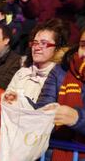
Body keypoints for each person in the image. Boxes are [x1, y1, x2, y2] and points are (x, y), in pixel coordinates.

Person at [34, 30, 85, 160]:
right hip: (52, 153)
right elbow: (41, 110)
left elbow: (76, 118)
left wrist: (77, 119)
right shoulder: (61, 71)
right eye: (83, 46)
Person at [7, 18, 69, 102]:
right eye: (35, 43)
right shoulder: (22, 73)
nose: (36, 47)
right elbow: (6, 103)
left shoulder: (59, 79)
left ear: (57, 48)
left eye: (44, 43)